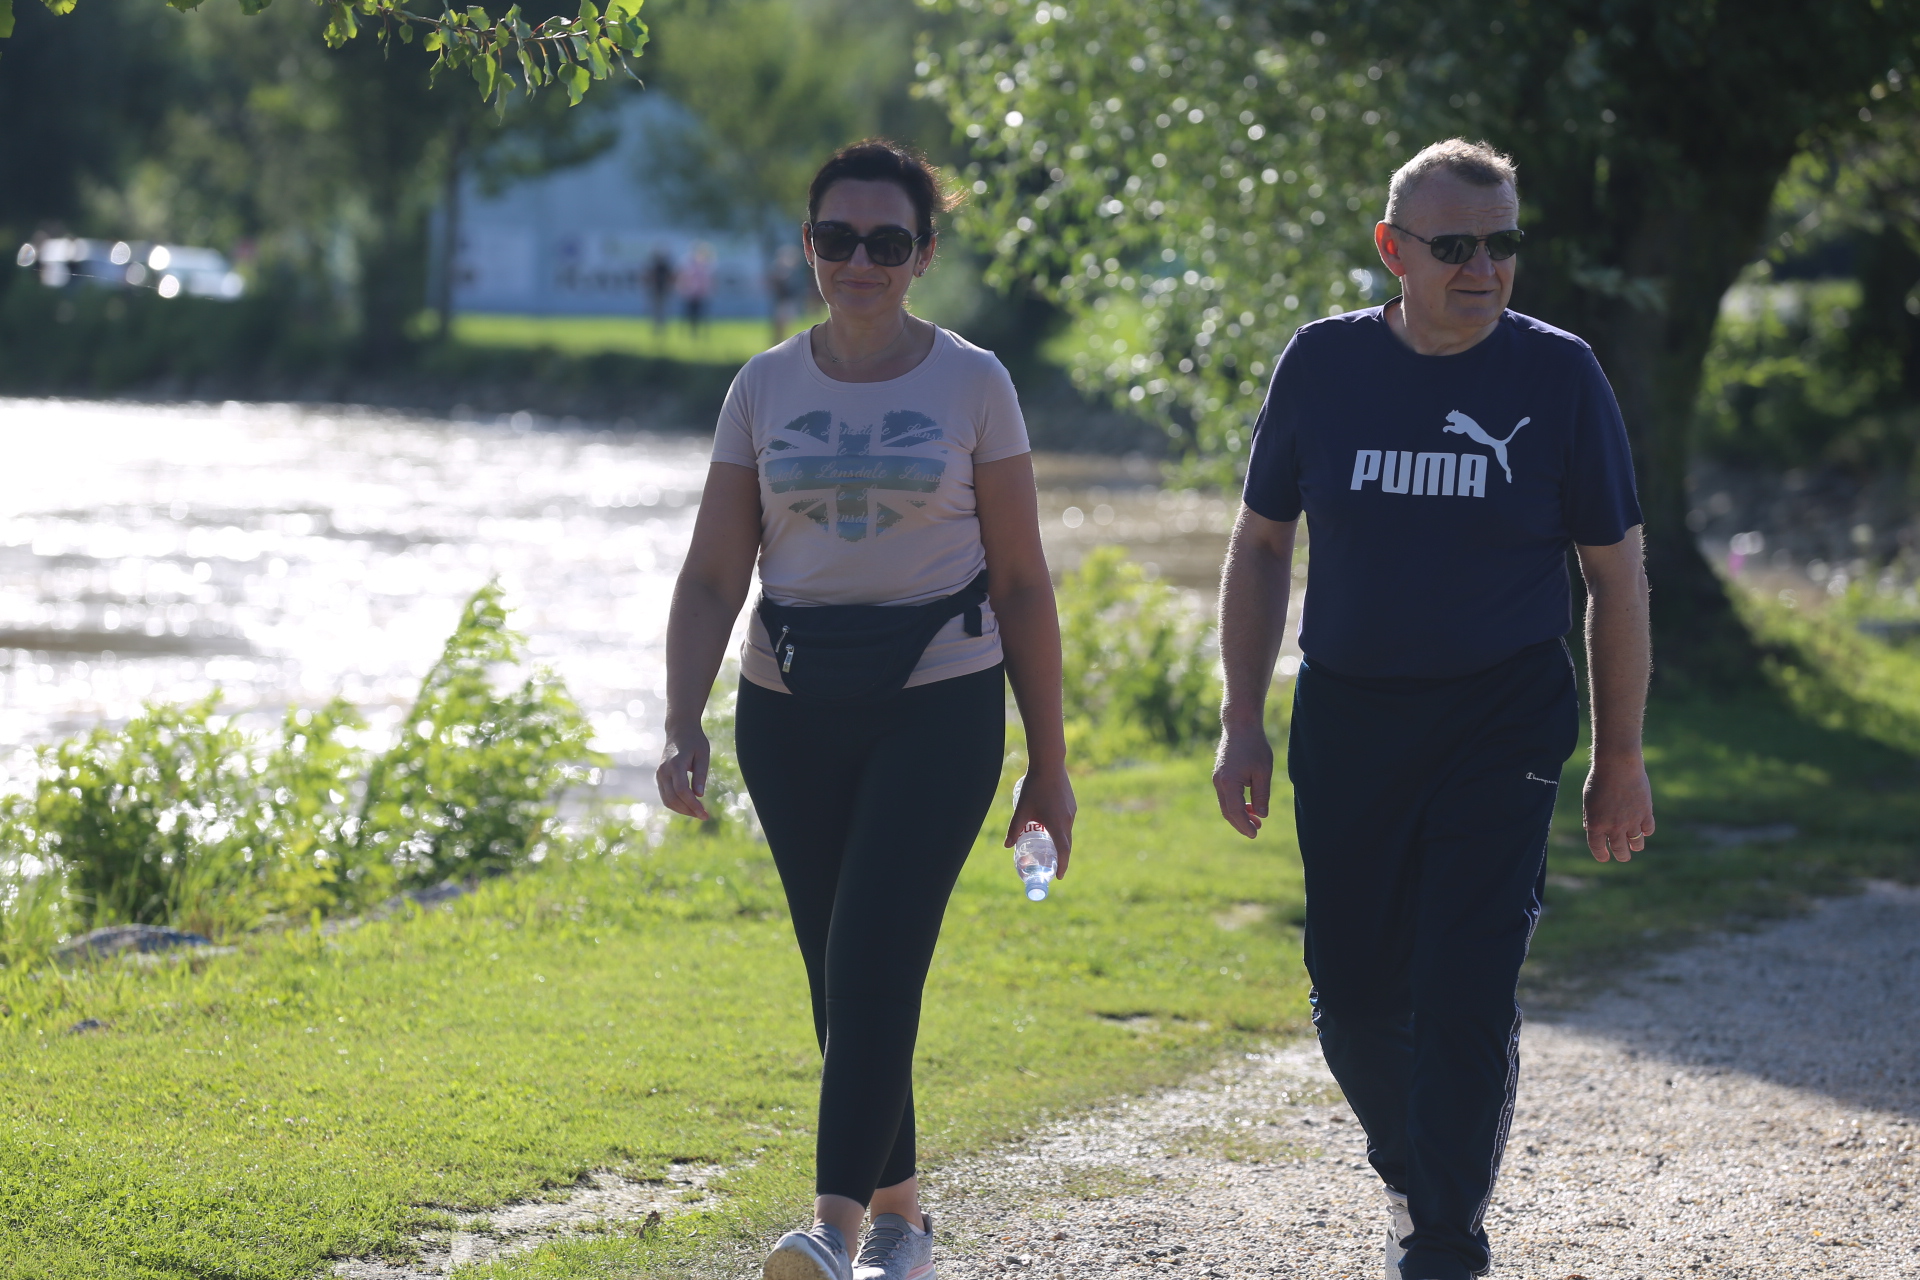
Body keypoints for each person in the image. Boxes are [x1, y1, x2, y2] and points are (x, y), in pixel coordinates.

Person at [1212, 138, 1654, 1280]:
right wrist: (1241, 718)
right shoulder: (1323, 366)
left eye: (1502, 242)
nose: (1484, 267)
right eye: (1454, 245)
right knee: (1354, 992)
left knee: (1466, 980)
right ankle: (1416, 1170)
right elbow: (1262, 545)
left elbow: (1615, 576)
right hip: (1352, 710)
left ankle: (1447, 1237)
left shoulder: (1561, 378)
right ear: (1392, 250)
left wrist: (1621, 757)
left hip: (1502, 712)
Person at [656, 138, 1076, 1280]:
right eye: (837, 238)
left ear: (922, 254)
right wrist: (681, 716)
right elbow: (709, 575)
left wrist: (1049, 761)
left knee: (876, 952)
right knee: (833, 964)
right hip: (788, 709)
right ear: (808, 246)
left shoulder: (974, 383)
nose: (860, 260)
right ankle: (904, 1218)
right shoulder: (762, 386)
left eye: (886, 241)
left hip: (940, 700)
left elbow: (1026, 579)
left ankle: (831, 1234)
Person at [678, 242, 714, 336]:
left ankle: (702, 333)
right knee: (688, 314)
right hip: (690, 293)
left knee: (702, 315)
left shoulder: (706, 264)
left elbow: (708, 279)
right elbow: (684, 278)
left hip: (701, 294)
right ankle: (688, 332)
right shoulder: (687, 263)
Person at [647, 247, 675, 332]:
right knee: (657, 310)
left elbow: (670, 278)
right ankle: (658, 327)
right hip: (657, 290)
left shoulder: (665, 266)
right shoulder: (655, 266)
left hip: (663, 290)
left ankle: (660, 327)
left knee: (661, 310)